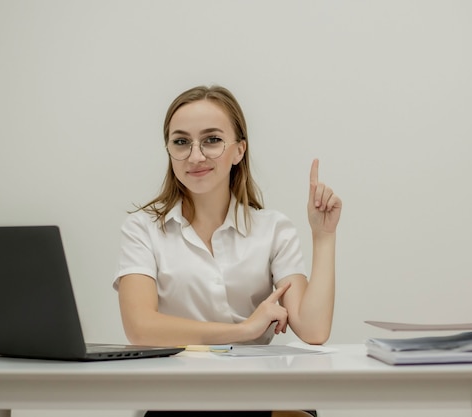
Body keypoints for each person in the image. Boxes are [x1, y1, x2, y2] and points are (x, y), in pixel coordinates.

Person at [113, 85, 342, 417]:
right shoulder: (142, 228)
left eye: (212, 140)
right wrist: (242, 331)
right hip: (175, 400)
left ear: (239, 150)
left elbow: (314, 329)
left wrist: (323, 237)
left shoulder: (273, 229)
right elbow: (140, 328)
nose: (195, 156)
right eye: (181, 142)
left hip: (256, 397)